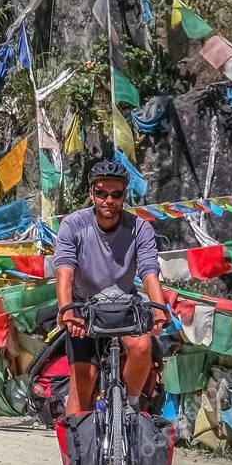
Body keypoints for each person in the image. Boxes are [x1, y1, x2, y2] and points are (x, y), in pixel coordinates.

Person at [54, 159, 168, 417]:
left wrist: (160, 308)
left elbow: (149, 270)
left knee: (141, 348)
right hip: (82, 306)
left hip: (124, 305)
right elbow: (64, 271)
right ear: (90, 193)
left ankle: (129, 405)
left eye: (115, 194)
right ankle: (75, 454)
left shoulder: (140, 228)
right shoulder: (73, 225)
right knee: (83, 378)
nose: (108, 200)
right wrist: (66, 311)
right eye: (101, 193)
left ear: (124, 196)